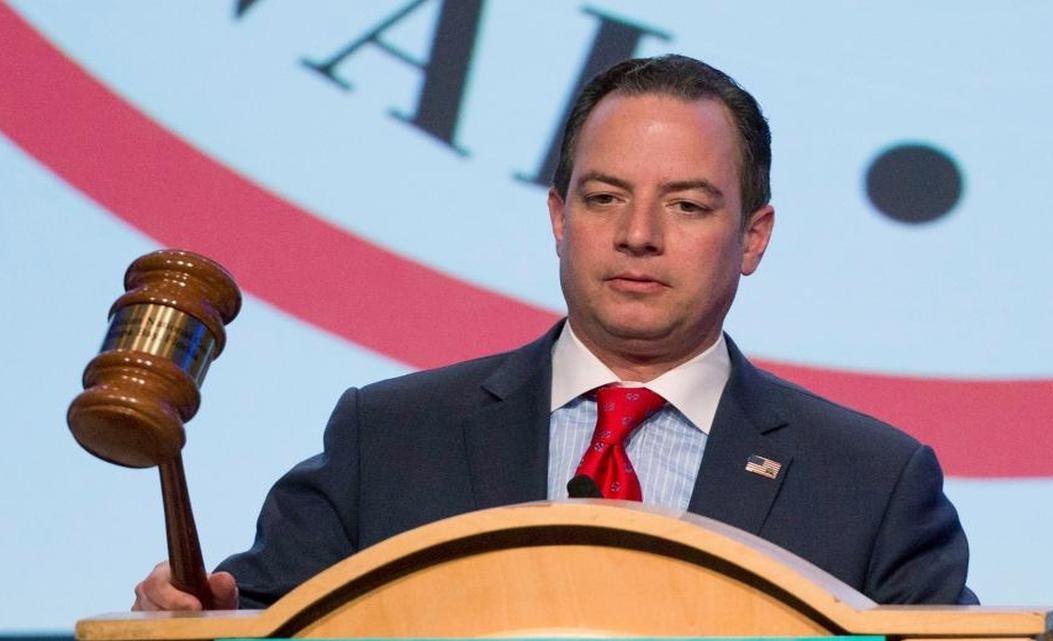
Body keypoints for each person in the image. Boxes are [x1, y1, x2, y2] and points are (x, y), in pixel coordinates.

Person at [132, 54, 976, 611]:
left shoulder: (871, 483)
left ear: (753, 238)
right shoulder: (386, 439)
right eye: (604, 198)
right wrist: (192, 616)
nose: (638, 234)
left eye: (686, 205)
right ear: (559, 217)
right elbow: (252, 614)